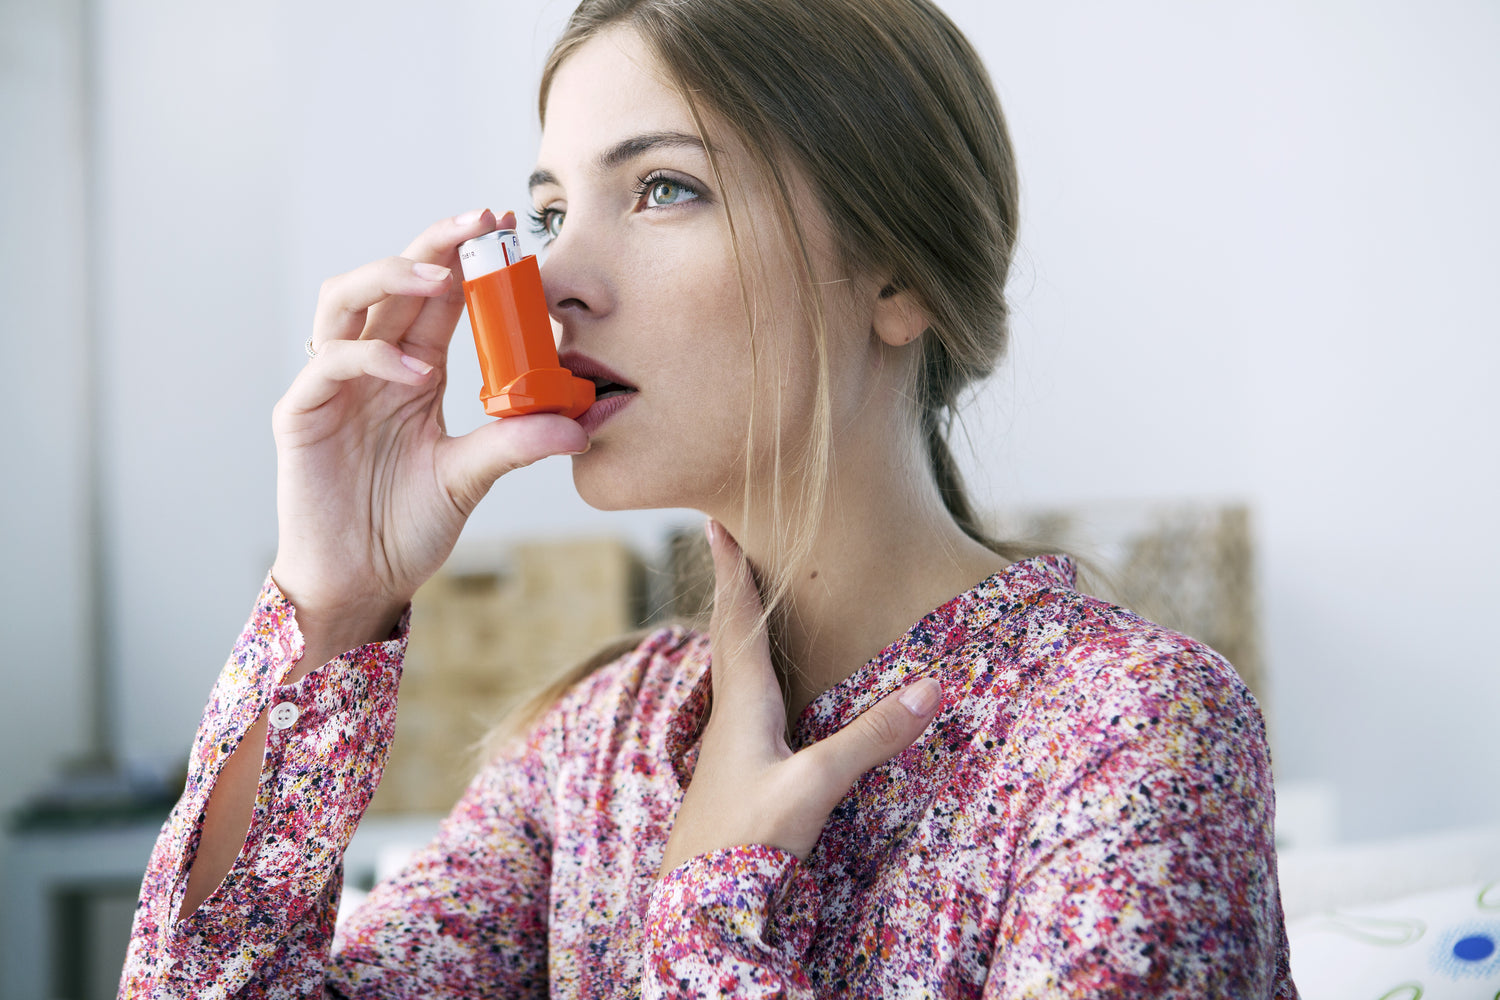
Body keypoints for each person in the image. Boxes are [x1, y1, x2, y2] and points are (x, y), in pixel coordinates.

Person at [119, 0, 1297, 996]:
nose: (556, 279)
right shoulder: (596, 749)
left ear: (896, 275)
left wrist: (710, 916)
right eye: (546, 213)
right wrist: (330, 602)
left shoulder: (1129, 732)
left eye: (663, 188)